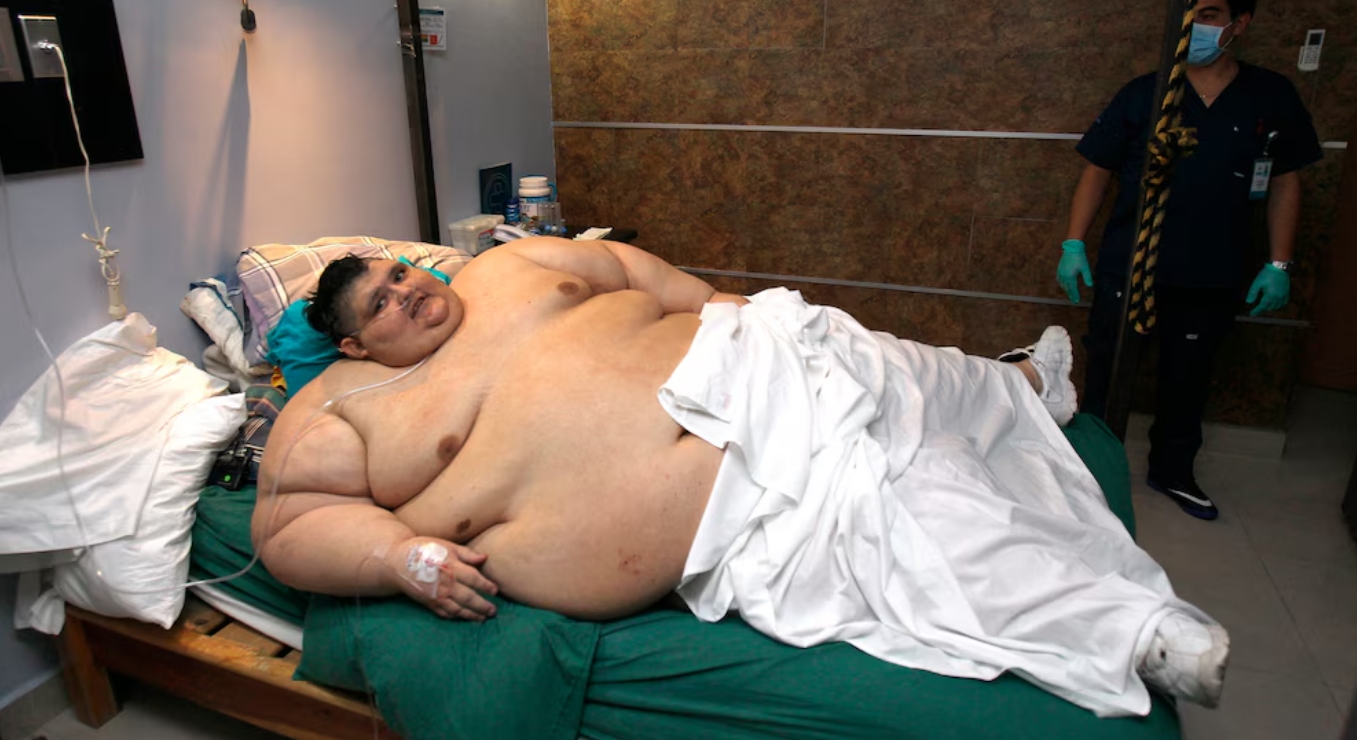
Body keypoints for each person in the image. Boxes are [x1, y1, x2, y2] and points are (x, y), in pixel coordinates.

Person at [253, 237, 1227, 718]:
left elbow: (644, 276)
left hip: (758, 365)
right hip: (722, 515)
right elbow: (287, 525)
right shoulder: (339, 408)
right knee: (920, 509)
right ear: (353, 344)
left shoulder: (503, 267)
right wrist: (398, 558)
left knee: (916, 375)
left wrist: (743, 311)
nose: (408, 292)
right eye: (380, 304)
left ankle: (1023, 383)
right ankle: (1132, 630)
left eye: (401, 273)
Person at [1058, 0, 1322, 521]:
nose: (1196, 26)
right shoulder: (1147, 94)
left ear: (1239, 24)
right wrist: (1073, 244)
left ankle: (1173, 470)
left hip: (1210, 267)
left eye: (1209, 15)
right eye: (1189, 15)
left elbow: (1284, 181)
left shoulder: (1269, 97)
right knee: (1107, 371)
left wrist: (1278, 263)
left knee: (1189, 375)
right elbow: (1097, 170)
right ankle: (1090, 469)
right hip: (1132, 265)